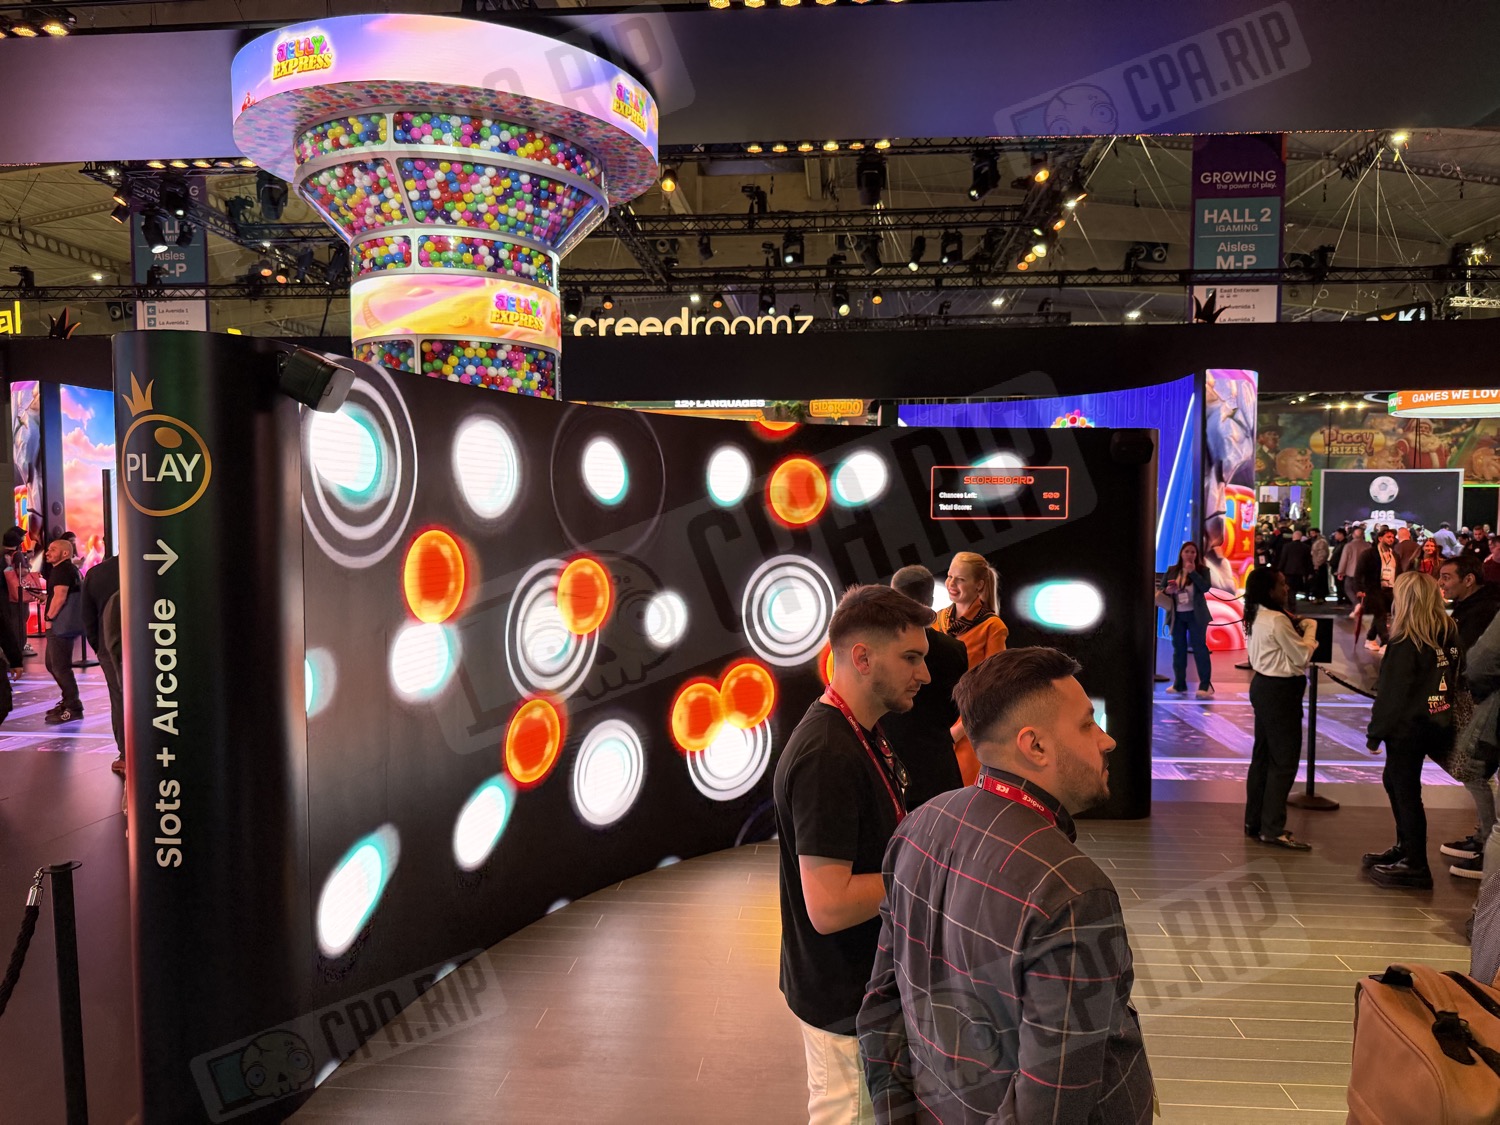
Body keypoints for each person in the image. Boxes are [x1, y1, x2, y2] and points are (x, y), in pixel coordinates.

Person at [858, 647, 1153, 1123]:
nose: (1107, 740)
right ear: (1034, 746)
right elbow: (1050, 1107)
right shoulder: (1071, 890)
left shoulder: (920, 826)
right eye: (1087, 724)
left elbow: (879, 1013)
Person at [774, 584, 933, 1124]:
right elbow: (829, 905)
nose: (924, 674)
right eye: (910, 658)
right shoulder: (827, 754)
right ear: (862, 658)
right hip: (842, 999)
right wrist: (924, 874)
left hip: (862, 988)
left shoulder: (856, 733)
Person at [1364, 572, 1464, 889]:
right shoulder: (1447, 632)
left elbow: (1392, 694)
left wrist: (1374, 734)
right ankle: (1405, 848)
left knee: (1404, 791)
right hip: (1437, 721)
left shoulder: (1406, 641)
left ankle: (1415, 863)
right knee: (1396, 783)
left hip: (1407, 728)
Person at [1243, 567, 1318, 851]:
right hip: (1280, 692)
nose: (1286, 589)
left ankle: (1255, 821)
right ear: (1269, 590)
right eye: (1282, 584)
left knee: (1262, 757)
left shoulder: (1256, 615)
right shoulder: (1276, 620)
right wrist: (1311, 630)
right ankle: (1272, 828)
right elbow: (1300, 656)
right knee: (1284, 762)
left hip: (1263, 687)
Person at [881, 565, 967, 809]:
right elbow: (954, 709)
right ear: (930, 599)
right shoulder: (954, 650)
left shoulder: (879, 648)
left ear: (894, 598)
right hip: (939, 769)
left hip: (889, 767)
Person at [1437, 553, 1500, 879]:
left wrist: (1473, 690)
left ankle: (1489, 848)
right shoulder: (1474, 607)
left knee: (1473, 768)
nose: (1442, 583)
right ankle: (1485, 838)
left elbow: (1478, 661)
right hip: (1478, 698)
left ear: (1469, 579)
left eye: (1447, 577)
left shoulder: (1484, 609)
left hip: (1482, 701)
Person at [936, 551, 1008, 786]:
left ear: (979, 585)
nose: (951, 584)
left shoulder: (992, 627)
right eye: (949, 576)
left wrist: (958, 731)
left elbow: (993, 690)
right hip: (936, 723)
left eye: (960, 579)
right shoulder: (938, 620)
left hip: (968, 728)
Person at [80, 553, 123, 774]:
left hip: (109, 645)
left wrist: (99, 648)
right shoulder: (155, 567)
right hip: (156, 644)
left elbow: (88, 617)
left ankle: (126, 755)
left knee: (120, 699)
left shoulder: (97, 573)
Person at [1160, 542, 1214, 697]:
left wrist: (1193, 573)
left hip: (1196, 615)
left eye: (1193, 552)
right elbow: (1162, 588)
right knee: (1179, 650)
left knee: (1199, 648)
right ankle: (1179, 684)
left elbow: (1205, 587)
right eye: (1187, 551)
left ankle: (1205, 685)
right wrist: (1168, 590)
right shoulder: (1172, 570)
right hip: (1177, 615)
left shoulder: (1203, 570)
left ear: (1196, 555)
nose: (1190, 554)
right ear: (1181, 554)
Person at [1359, 526, 1402, 651]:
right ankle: (1385, 642)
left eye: (1393, 537)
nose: (1391, 539)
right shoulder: (1369, 554)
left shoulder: (1395, 555)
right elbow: (1359, 572)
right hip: (1374, 589)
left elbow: (1399, 572)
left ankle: (1370, 638)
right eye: (1388, 537)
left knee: (1382, 615)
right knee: (1380, 614)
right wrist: (1360, 589)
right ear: (1380, 538)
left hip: (1390, 589)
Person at [1337, 526, 1368, 609]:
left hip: (1351, 572)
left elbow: (1344, 560)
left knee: (1348, 589)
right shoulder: (1368, 545)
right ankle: (1361, 604)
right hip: (1364, 572)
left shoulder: (1349, 546)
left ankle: (1356, 603)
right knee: (1362, 590)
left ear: (1353, 535)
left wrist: (1340, 572)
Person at [1279, 529, 1312, 599]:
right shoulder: (1306, 547)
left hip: (1289, 570)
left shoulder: (1287, 546)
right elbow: (1308, 560)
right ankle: (1294, 599)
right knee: (1296, 587)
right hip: (1301, 571)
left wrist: (1279, 569)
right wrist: (1310, 571)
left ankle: (1291, 600)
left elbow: (1283, 559)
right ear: (1301, 537)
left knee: (1290, 587)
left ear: (1293, 537)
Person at [1309, 527, 1330, 600]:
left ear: (1317, 533)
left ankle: (1320, 597)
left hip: (1319, 565)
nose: (1311, 535)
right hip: (1317, 564)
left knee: (1319, 582)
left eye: (1313, 533)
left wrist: (1318, 564)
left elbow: (1322, 554)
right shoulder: (1316, 541)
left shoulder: (1321, 542)